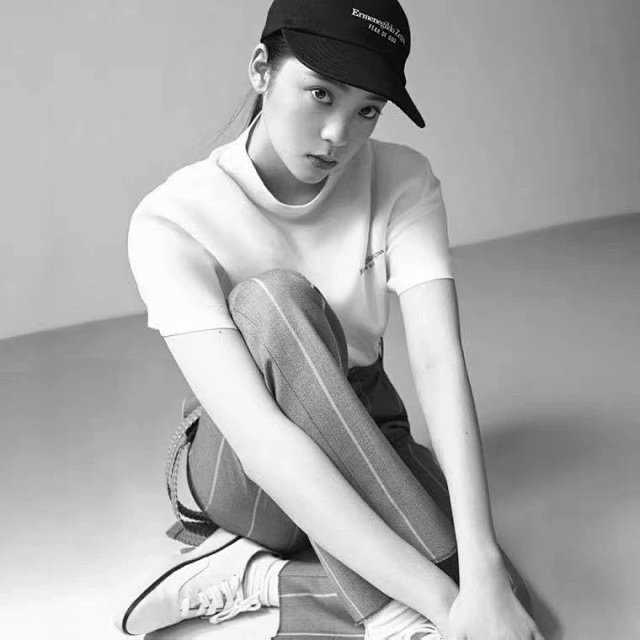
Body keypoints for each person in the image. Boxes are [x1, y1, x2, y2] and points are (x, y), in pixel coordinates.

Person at [115, 1, 545, 639]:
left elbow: (438, 361)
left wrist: (481, 569)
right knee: (275, 302)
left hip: (366, 427)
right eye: (320, 94)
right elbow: (262, 441)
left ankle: (261, 578)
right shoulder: (173, 218)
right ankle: (375, 606)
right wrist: (437, 603)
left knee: (504, 599)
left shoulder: (403, 180)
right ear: (261, 69)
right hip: (243, 468)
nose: (338, 135)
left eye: (368, 110)